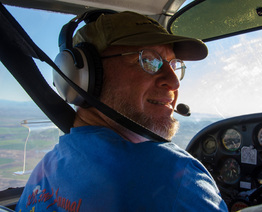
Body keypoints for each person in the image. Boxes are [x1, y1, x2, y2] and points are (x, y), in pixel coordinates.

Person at [15, 11, 228, 211]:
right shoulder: (177, 175)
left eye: (173, 65)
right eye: (148, 60)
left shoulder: (43, 172)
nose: (173, 82)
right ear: (83, 77)